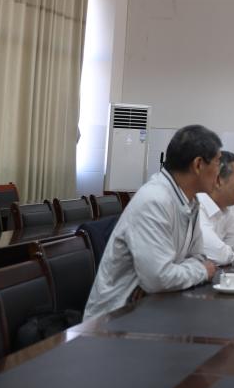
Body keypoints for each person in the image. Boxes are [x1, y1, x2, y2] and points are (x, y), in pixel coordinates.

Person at [84, 125, 220, 321]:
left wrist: (191, 268)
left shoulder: (191, 201)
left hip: (153, 305)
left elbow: (198, 257)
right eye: (217, 163)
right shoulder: (154, 200)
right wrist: (201, 271)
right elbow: (159, 278)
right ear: (198, 164)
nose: (219, 172)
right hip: (115, 318)